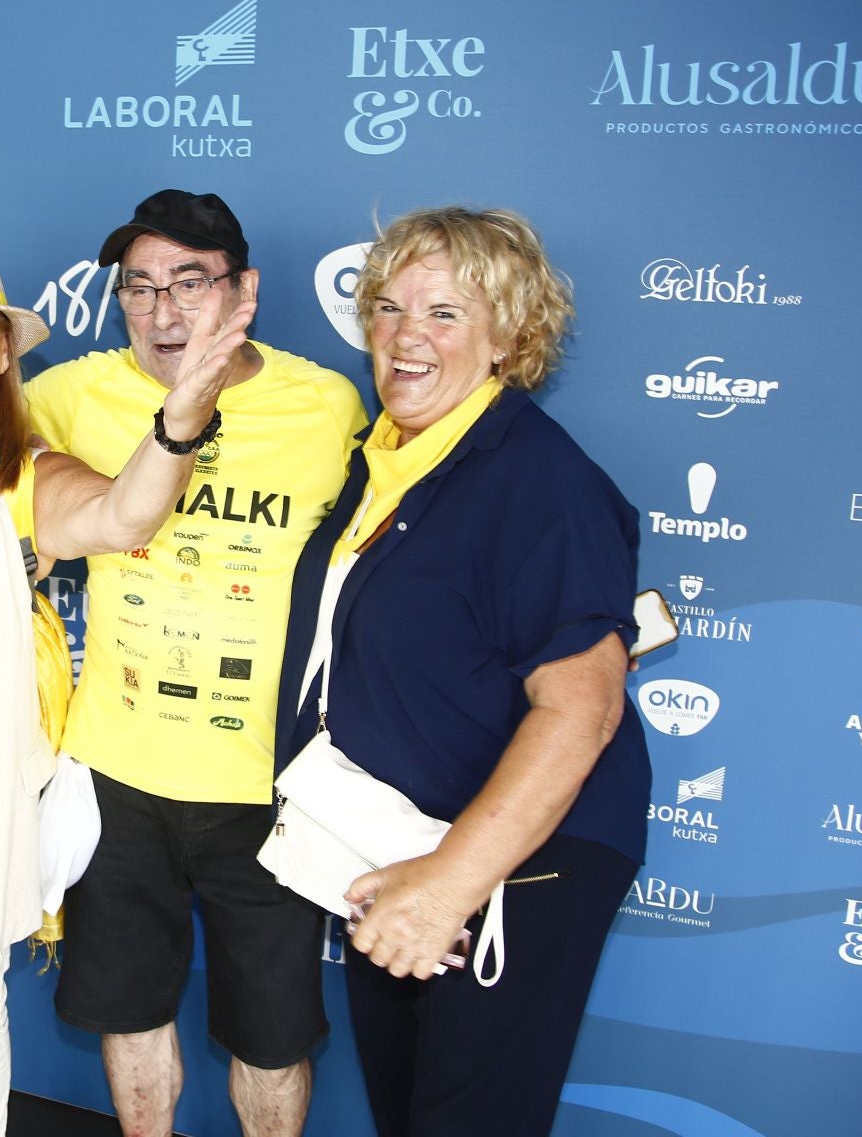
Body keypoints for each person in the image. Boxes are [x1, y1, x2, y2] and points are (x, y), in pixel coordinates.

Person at [0, 191, 368, 1136]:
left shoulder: (23, 472)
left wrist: (179, 421)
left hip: (35, 814)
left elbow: (123, 512)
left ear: (4, 352)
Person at [275, 207, 651, 1136]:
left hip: (516, 853)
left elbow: (582, 709)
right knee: (409, 1109)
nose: (407, 337)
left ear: (509, 338)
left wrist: (450, 883)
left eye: (444, 314)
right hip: (392, 837)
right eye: (390, 308)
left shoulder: (537, 481)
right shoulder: (393, 455)